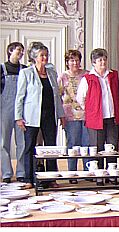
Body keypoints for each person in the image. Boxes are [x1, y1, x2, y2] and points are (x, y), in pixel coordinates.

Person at [15, 41, 65, 189]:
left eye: (46, 55)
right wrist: (18, 117)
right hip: (31, 116)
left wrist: (61, 115)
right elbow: (20, 97)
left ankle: (51, 178)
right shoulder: (26, 73)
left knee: (51, 147)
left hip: (50, 115)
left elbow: (57, 96)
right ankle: (29, 178)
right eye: (41, 55)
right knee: (29, 147)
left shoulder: (51, 72)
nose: (45, 58)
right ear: (34, 57)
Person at [76, 48, 119, 186]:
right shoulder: (87, 78)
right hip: (96, 118)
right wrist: (90, 110)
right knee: (97, 146)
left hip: (112, 117)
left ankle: (112, 174)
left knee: (112, 146)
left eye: (104, 59)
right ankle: (99, 176)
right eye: (100, 60)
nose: (103, 62)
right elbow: (80, 98)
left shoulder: (113, 75)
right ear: (93, 63)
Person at [57, 49, 90, 184]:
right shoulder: (62, 77)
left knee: (87, 144)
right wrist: (61, 116)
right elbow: (58, 98)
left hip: (87, 115)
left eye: (77, 60)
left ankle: (89, 172)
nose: (75, 63)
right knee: (72, 144)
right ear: (67, 62)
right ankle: (72, 174)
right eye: (71, 60)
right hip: (69, 116)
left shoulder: (87, 75)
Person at [1, 42, 26, 183]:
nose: (21, 54)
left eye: (22, 51)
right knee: (3, 141)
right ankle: (6, 173)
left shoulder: (25, 69)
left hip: (22, 110)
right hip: (4, 108)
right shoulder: (1, 69)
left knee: (22, 142)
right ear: (10, 51)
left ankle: (21, 172)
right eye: (18, 51)